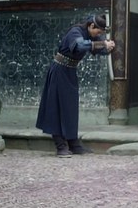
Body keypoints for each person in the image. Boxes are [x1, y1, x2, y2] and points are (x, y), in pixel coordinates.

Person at [36, 14, 116, 158]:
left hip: (70, 71)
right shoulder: (75, 32)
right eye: (98, 31)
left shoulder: (90, 35)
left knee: (70, 108)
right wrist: (102, 44)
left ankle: (73, 144)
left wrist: (109, 46)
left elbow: (98, 48)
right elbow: (79, 45)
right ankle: (61, 146)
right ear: (91, 26)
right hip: (59, 70)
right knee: (57, 107)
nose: (98, 35)